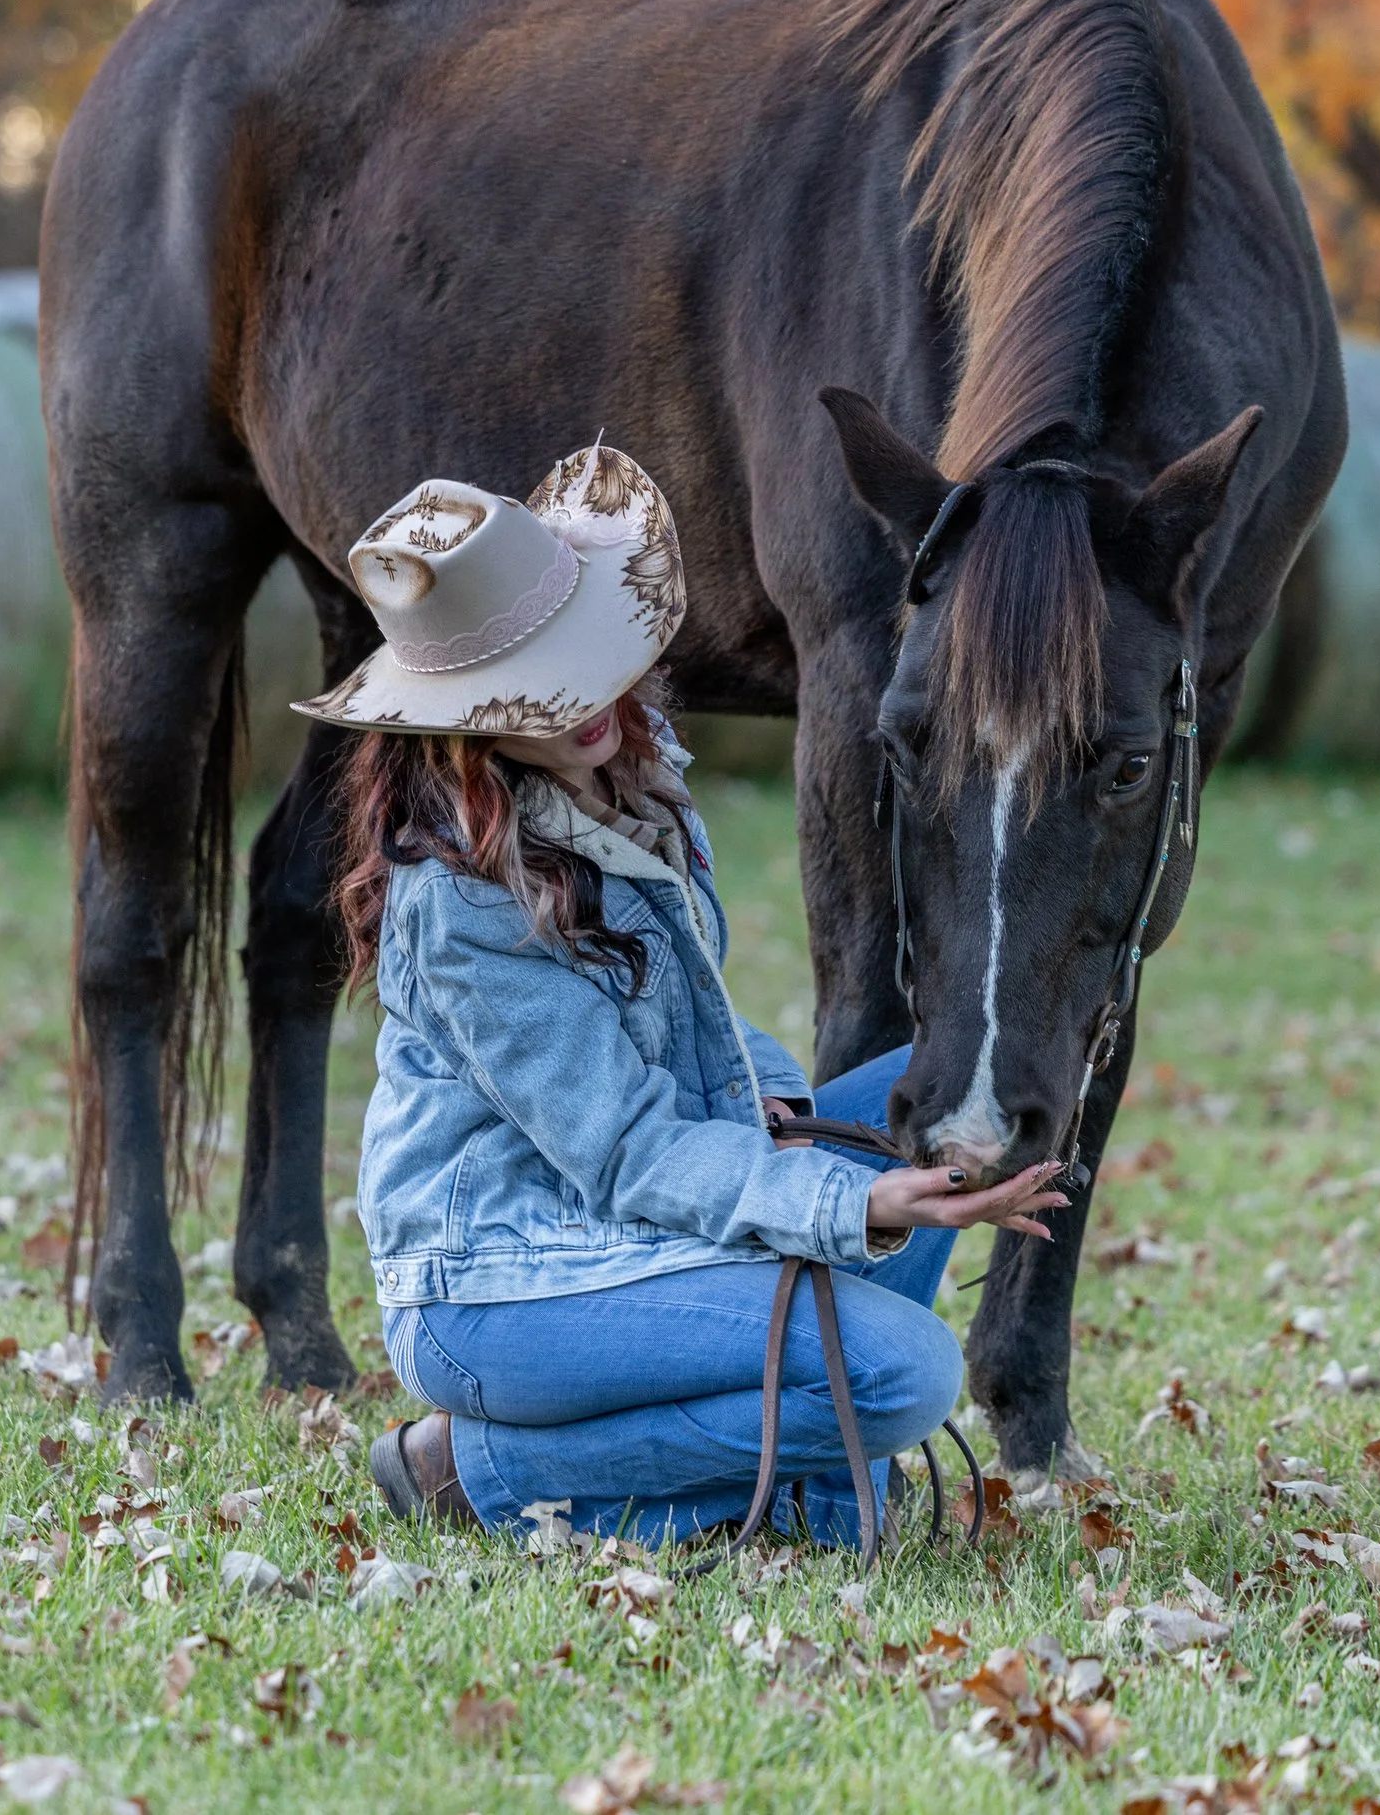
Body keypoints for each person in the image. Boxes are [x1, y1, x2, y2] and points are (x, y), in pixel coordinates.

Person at [296, 443, 1067, 1549]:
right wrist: (847, 1204)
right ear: (462, 713)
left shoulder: (631, 781)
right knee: (907, 1372)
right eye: (537, 681)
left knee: (925, 1092)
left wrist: (783, 1111)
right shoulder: (460, 901)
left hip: (625, 1216)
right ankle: (480, 1466)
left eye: (581, 651)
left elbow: (694, 1014)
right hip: (500, 1282)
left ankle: (822, 1477)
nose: (584, 699)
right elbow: (628, 1152)